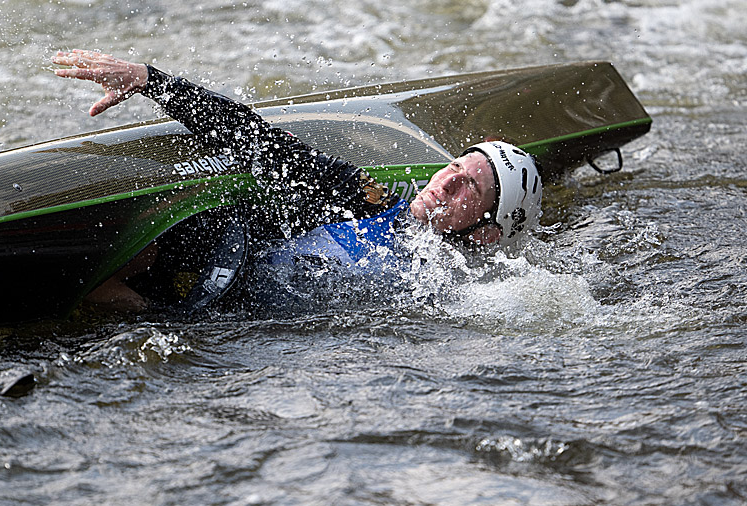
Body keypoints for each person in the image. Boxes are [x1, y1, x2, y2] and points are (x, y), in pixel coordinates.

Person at [51, 50, 543, 311]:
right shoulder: (368, 197)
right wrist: (151, 80)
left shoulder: (451, 292)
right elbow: (264, 144)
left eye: (469, 189)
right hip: (210, 278)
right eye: (455, 168)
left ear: (484, 233)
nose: (447, 183)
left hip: (226, 338)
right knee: (159, 247)